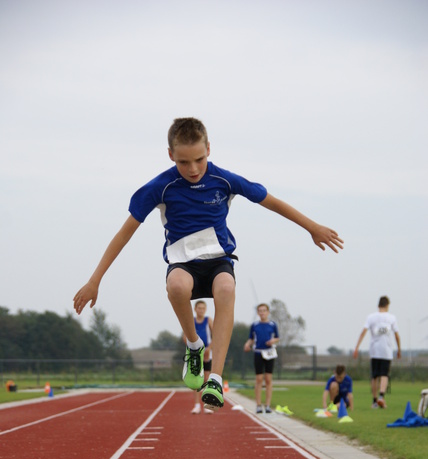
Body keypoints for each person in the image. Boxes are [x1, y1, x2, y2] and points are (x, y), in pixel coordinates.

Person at [73, 117, 343, 410]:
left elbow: (271, 201)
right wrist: (94, 280)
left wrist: (312, 227)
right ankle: (193, 345)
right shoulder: (159, 187)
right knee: (176, 286)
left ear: (209, 149)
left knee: (226, 288)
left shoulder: (224, 180)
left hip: (218, 261)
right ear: (170, 155)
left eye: (199, 160)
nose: (193, 169)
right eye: (183, 162)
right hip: (182, 263)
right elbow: (124, 233)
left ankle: (215, 377)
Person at [353, 295, 401, 408]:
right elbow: (397, 335)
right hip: (386, 350)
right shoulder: (391, 318)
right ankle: (381, 396)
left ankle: (374, 401)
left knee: (374, 376)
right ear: (387, 305)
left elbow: (363, 332)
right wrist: (399, 349)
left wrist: (357, 347)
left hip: (374, 350)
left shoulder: (371, 317)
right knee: (384, 375)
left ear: (378, 305)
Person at [244, 303, 279, 413]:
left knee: (268, 379)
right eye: (260, 310)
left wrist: (272, 341)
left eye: (264, 310)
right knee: (259, 379)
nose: (262, 312)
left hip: (269, 353)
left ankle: (268, 405)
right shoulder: (254, 325)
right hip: (258, 353)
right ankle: (258, 405)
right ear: (258, 313)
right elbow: (251, 338)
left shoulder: (273, 325)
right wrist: (247, 344)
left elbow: (277, 337)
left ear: (268, 312)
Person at [184, 300, 214, 414]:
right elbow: (185, 336)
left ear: (205, 309)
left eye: (203, 308)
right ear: (195, 309)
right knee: (197, 380)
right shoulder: (191, 321)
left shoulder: (208, 320)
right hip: (195, 353)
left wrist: (209, 349)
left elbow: (215, 335)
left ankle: (207, 404)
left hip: (207, 351)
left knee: (206, 378)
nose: (201, 310)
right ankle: (196, 405)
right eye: (199, 308)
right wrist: (191, 348)